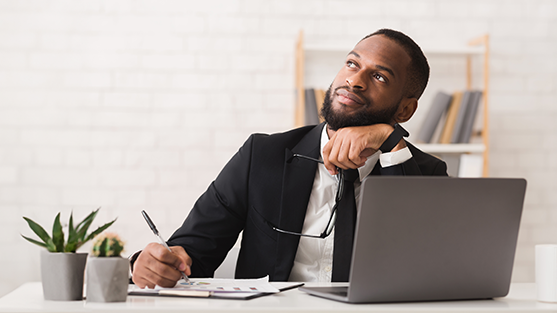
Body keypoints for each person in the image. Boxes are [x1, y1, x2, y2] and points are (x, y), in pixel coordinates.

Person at [131, 28, 448, 288]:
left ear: (405, 110)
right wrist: (154, 265)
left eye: (379, 77)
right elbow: (192, 253)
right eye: (352, 64)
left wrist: (387, 139)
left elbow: (429, 271)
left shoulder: (428, 173)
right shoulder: (262, 156)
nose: (355, 80)